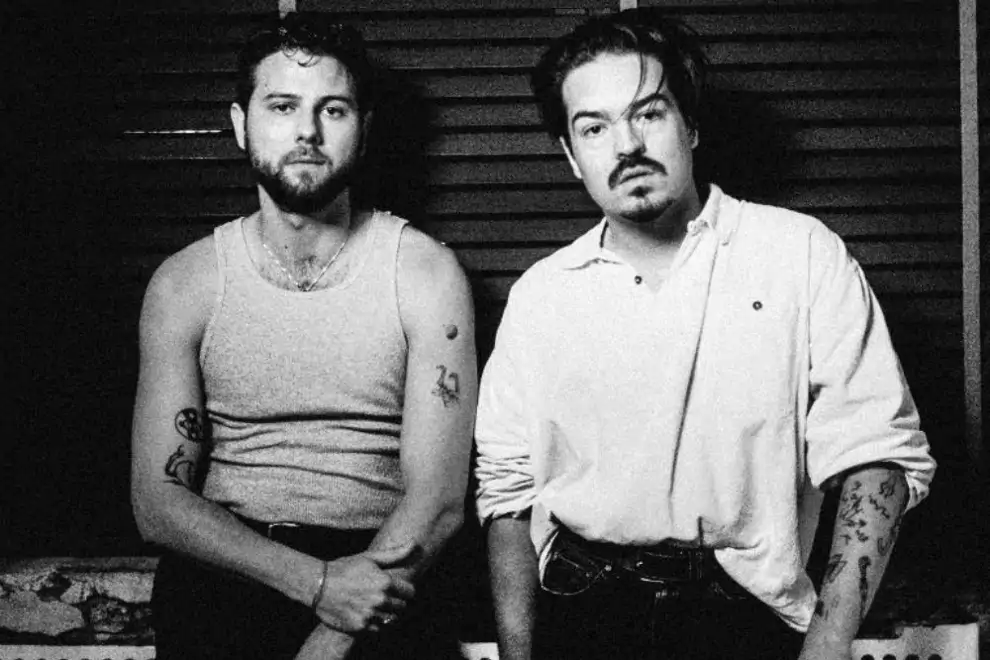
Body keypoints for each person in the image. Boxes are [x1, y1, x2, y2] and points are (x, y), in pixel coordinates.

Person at [474, 8, 936, 660]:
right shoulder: (541, 296)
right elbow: (508, 498)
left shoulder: (799, 254)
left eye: (648, 113)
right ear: (572, 156)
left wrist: (827, 648)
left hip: (742, 618)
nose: (626, 145)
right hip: (580, 616)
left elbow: (876, 458)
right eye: (594, 127)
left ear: (689, 125)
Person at [130, 13, 476, 660]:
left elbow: (439, 500)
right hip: (230, 573)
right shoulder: (185, 284)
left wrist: (333, 633)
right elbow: (157, 501)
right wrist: (316, 584)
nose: (307, 132)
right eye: (283, 106)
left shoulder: (426, 274)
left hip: (381, 575)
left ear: (364, 128)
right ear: (241, 124)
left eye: (333, 110)